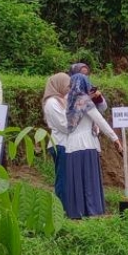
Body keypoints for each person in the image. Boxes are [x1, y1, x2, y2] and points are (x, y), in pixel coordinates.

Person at [61, 73, 122, 218]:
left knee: (76, 180)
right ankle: (91, 209)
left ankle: (76, 211)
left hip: (71, 145)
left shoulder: (67, 99)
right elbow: (100, 120)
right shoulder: (84, 101)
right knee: (88, 180)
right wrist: (115, 138)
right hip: (86, 144)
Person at [42, 73, 71, 210]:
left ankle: (66, 206)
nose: (69, 88)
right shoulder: (52, 102)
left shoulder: (62, 100)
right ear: (58, 85)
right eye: (67, 85)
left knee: (67, 177)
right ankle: (60, 208)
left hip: (66, 143)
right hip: (59, 143)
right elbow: (64, 125)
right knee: (63, 178)